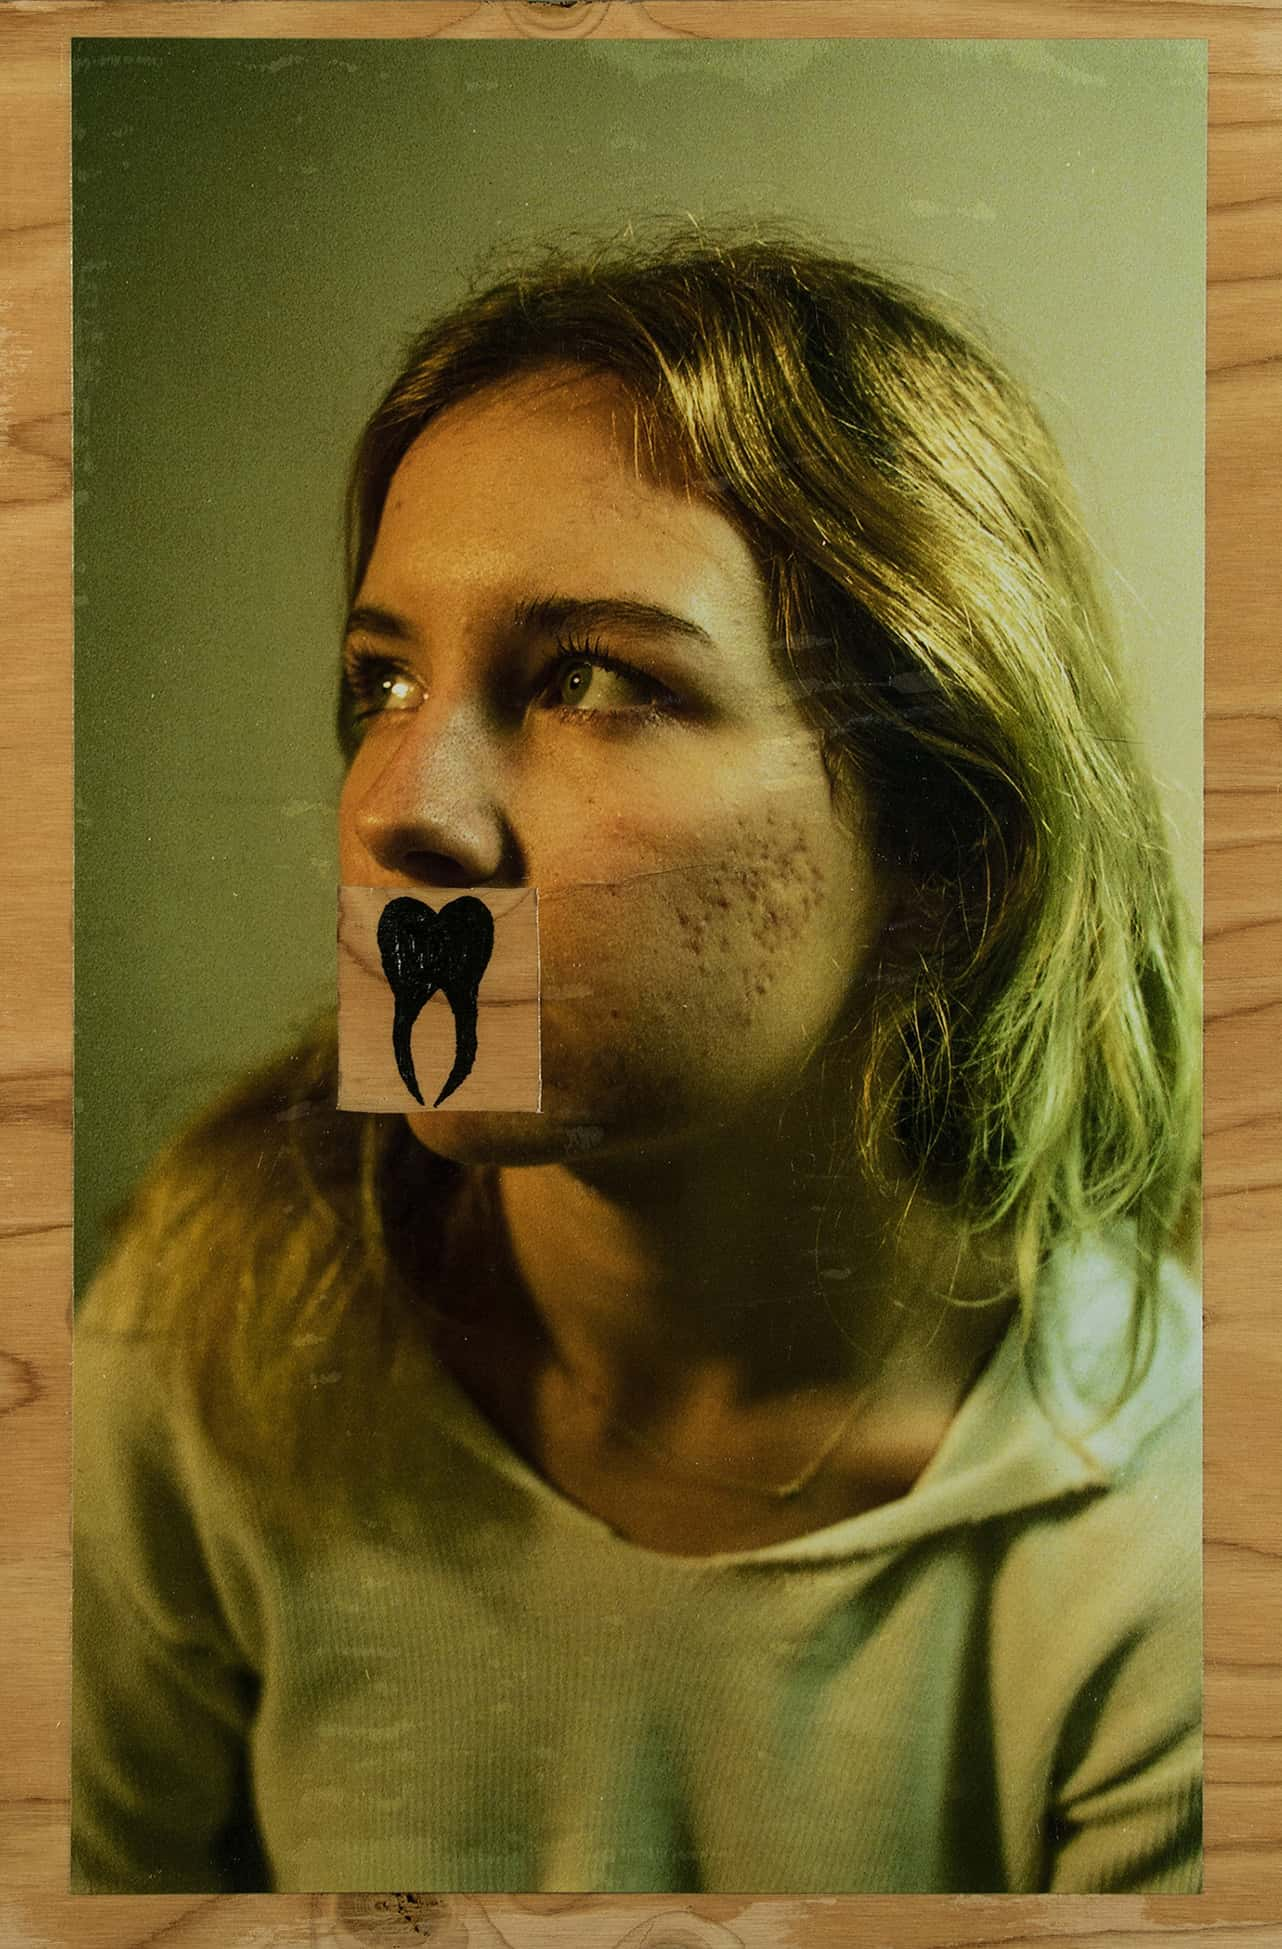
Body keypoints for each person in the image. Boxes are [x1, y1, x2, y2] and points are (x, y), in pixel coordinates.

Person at [72, 228, 1201, 1895]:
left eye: (589, 677)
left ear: (949, 833)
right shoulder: (214, 1331)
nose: (399, 807)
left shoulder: (1161, 1521)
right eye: (381, 677)